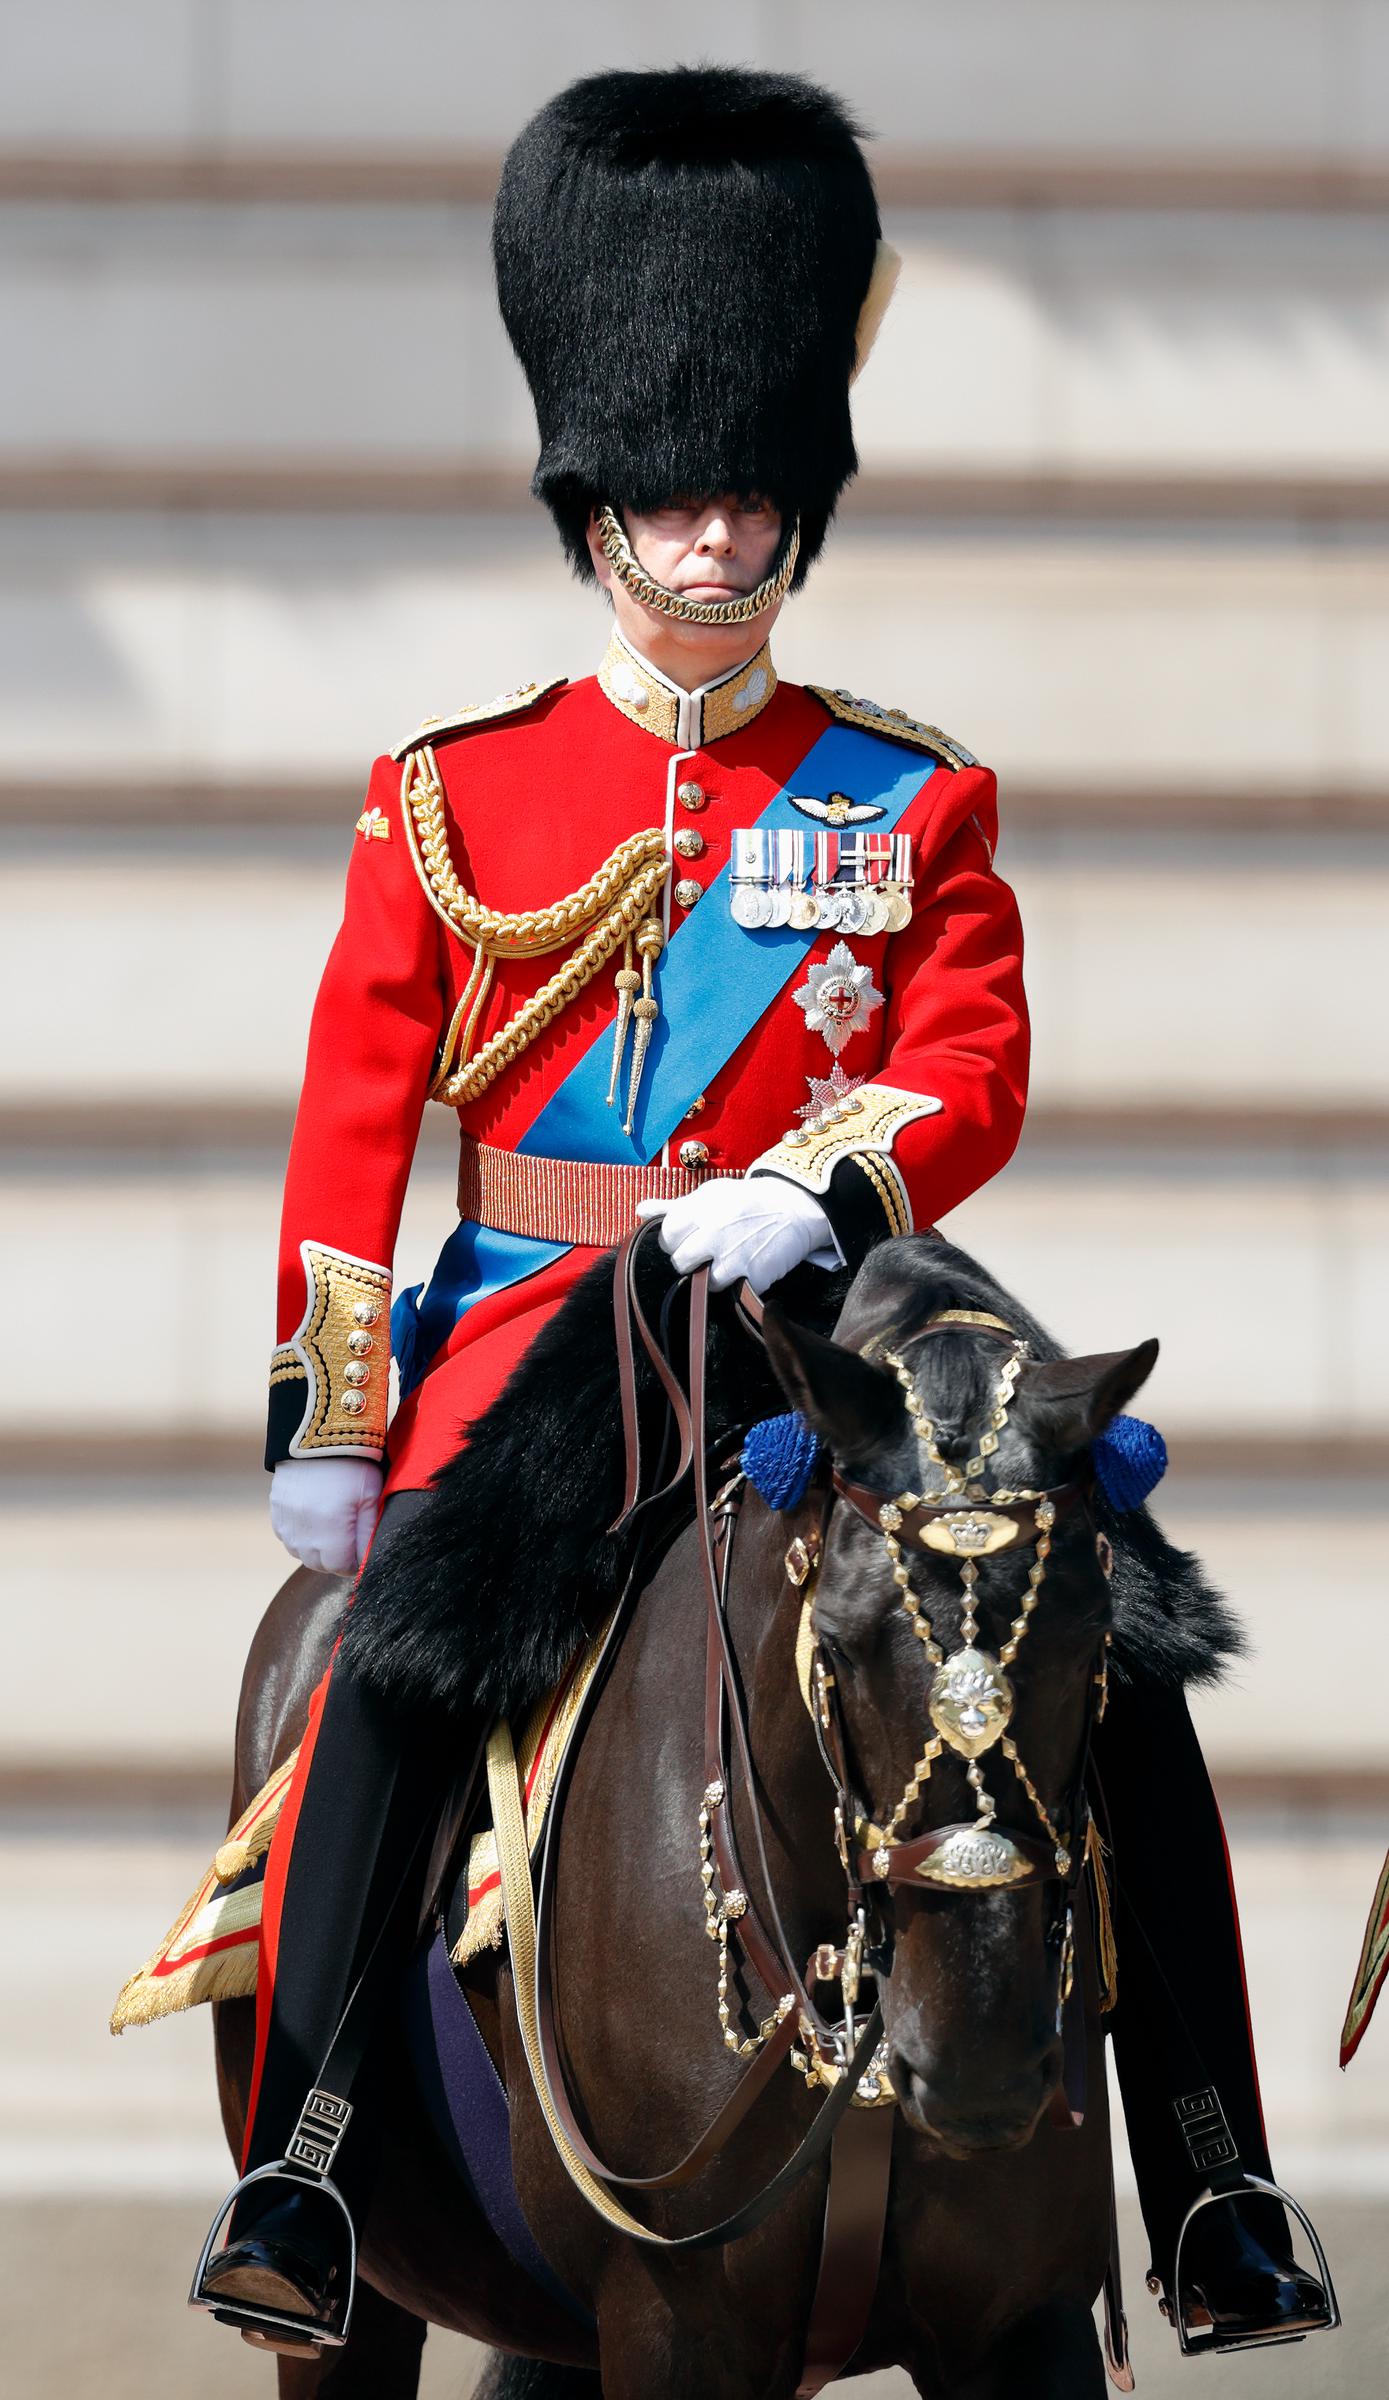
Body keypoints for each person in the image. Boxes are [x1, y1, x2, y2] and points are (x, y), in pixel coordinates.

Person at [192, 65, 1330, 2358]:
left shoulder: (906, 794)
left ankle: (1205, 2170)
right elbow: (351, 1118)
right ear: (593, 510)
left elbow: (975, 1061)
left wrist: (818, 1184)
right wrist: (336, 1410)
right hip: (537, 1331)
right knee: (388, 1683)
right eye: (670, 505)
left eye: (746, 505)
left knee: (1112, 1648)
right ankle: (311, 2160)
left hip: (837, 1315)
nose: (712, 545)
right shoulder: (453, 795)